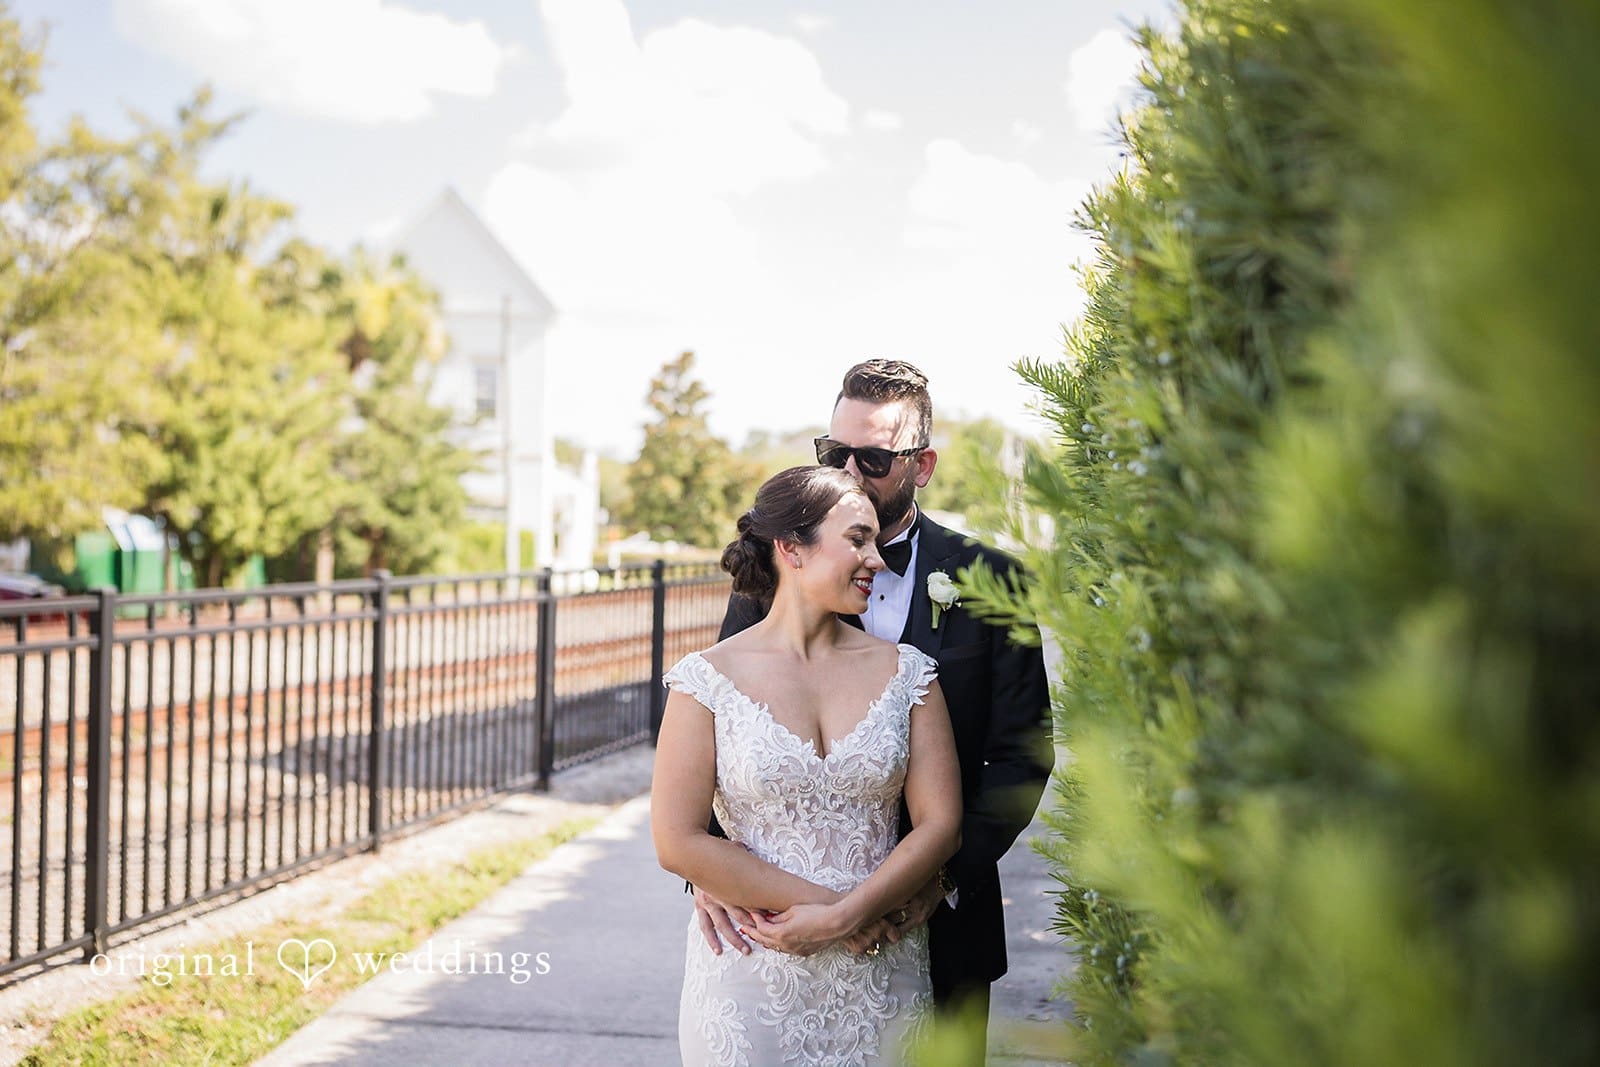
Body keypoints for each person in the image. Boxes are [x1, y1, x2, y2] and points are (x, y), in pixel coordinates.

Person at [706, 359, 1053, 1042]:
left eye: (872, 456)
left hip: (943, 926)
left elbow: (1022, 754)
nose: (850, 472)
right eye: (835, 453)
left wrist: (939, 878)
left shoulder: (993, 580)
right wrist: (712, 873)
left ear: (921, 466)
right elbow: (716, 722)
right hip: (773, 930)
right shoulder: (778, 569)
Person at [653, 465, 963, 1066]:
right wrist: (839, 914)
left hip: (884, 969)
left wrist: (850, 915)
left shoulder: (910, 673)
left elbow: (940, 825)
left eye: (875, 540)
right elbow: (677, 841)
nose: (876, 558)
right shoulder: (704, 680)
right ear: (791, 547)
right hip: (750, 974)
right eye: (856, 539)